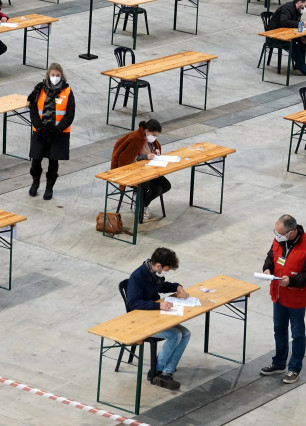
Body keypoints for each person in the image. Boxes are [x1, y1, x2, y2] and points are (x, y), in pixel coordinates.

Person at [259, 214, 306, 384]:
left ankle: (294, 368)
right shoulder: (279, 239)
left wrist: (292, 281)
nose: (277, 236)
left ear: (292, 232)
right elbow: (271, 256)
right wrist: (267, 269)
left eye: (280, 233)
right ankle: (279, 363)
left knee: (297, 334)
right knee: (279, 329)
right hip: (279, 294)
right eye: (276, 232)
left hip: (296, 298)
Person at [126, 247, 190, 390]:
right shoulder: (138, 277)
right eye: (167, 269)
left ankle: (167, 372)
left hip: (154, 315)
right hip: (140, 321)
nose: (166, 272)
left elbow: (160, 287)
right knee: (175, 335)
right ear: (158, 265)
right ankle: (155, 371)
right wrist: (159, 307)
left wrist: (177, 287)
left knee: (186, 334)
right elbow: (132, 303)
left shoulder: (155, 274)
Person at [28, 63, 76, 200]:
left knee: (53, 162)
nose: (55, 78)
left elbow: (70, 113)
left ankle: (49, 188)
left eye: (58, 75)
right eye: (53, 75)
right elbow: (33, 109)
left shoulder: (67, 91)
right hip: (40, 131)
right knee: (35, 160)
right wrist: (39, 126)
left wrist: (58, 129)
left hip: (58, 133)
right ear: (48, 75)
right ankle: (35, 181)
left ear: (62, 76)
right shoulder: (39, 89)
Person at [111, 119, 171, 219]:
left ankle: (142, 201)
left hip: (148, 170)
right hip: (132, 173)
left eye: (157, 135)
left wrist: (156, 151)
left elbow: (151, 150)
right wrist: (145, 157)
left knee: (166, 185)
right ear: (147, 131)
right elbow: (126, 159)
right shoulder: (135, 138)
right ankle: (141, 205)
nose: (155, 138)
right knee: (157, 188)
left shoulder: (149, 140)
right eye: (154, 135)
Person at [269, 0, 306, 77]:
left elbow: (294, 23)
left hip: (286, 32)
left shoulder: (298, 10)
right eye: (304, 6)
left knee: (304, 37)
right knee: (291, 45)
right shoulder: (287, 8)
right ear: (299, 3)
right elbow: (284, 22)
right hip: (275, 35)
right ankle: (304, 69)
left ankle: (299, 65)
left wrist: (302, 36)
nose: (304, 8)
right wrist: (301, 24)